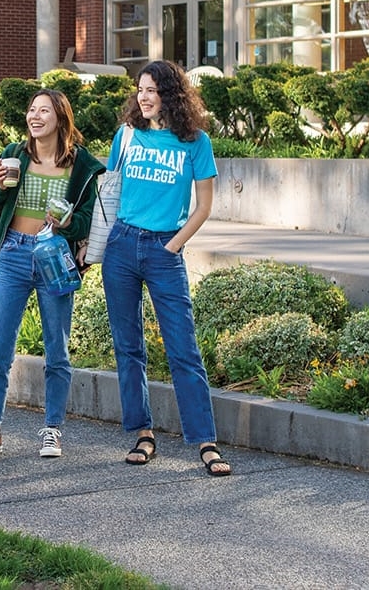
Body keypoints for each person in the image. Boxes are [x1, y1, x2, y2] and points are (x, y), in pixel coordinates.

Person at [0, 89, 103, 461]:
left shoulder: (81, 164)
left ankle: (52, 429)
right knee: (0, 346)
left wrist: (68, 223)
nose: (35, 117)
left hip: (54, 255)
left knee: (57, 349)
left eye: (44, 110)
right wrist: (2, 186)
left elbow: (88, 217)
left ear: (60, 118)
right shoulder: (14, 154)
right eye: (32, 110)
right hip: (15, 254)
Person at [103, 60, 231, 477]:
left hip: (164, 249)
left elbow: (205, 206)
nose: (143, 97)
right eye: (140, 89)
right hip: (122, 244)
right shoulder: (126, 135)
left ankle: (205, 441)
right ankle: (142, 432)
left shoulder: (196, 142)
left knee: (183, 349)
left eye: (152, 90)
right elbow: (110, 192)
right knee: (128, 346)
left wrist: (173, 244)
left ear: (170, 95)